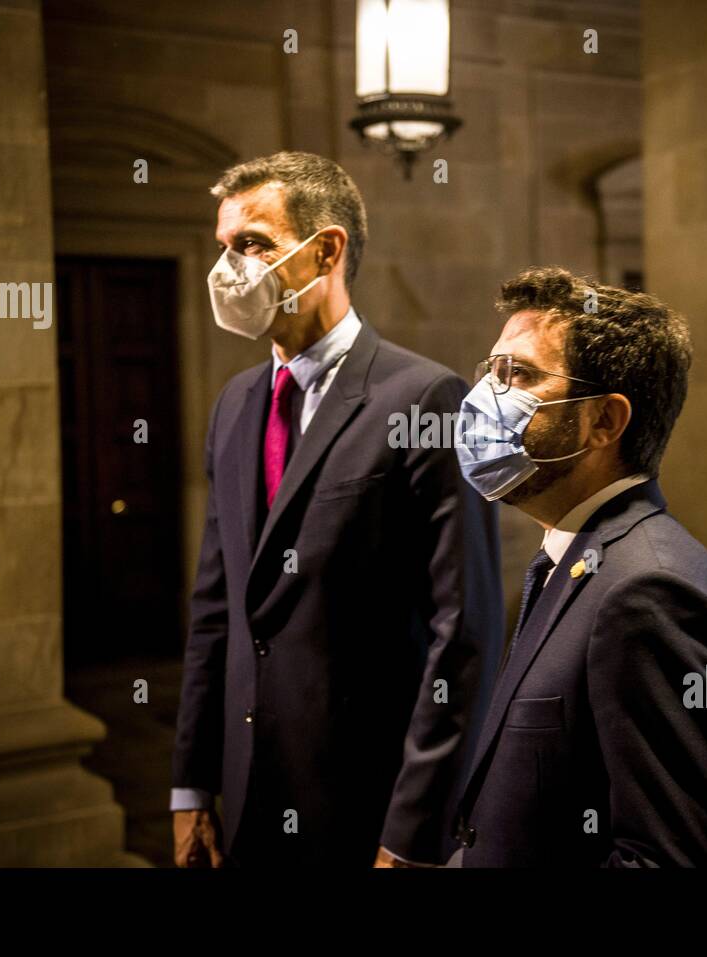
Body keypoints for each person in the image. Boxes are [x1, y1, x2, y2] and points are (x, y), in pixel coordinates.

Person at [171, 151, 502, 868]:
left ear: (325, 250)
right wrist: (191, 784)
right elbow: (216, 610)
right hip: (246, 788)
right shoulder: (235, 406)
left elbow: (465, 629)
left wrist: (417, 829)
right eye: (223, 247)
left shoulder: (424, 398)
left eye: (253, 243)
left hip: (366, 800)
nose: (231, 266)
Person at [449, 266, 707, 866]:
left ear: (605, 422)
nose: (486, 396)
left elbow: (674, 860)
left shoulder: (650, 591)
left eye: (522, 375)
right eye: (492, 370)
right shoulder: (575, 555)